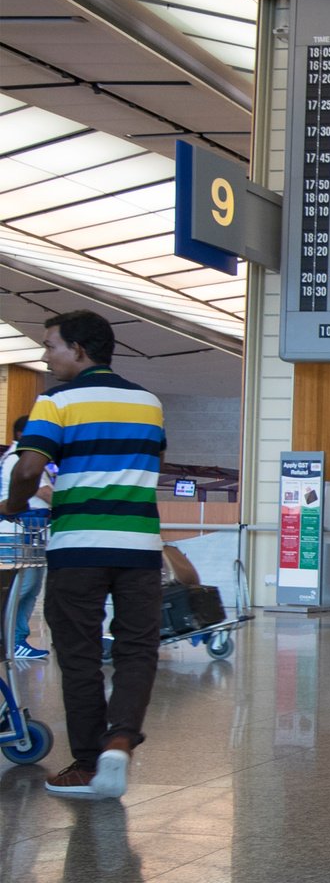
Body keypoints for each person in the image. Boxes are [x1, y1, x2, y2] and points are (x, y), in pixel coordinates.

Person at [0, 311, 166, 800]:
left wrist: (11, 504)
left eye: (51, 346)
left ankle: (89, 764)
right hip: (139, 548)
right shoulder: (149, 402)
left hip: (79, 547)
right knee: (137, 650)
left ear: (80, 349)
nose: (45, 357)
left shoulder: (57, 401)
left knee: (80, 655)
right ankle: (119, 742)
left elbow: (30, 468)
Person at [1, 415, 53, 659]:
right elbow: (44, 493)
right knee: (18, 590)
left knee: (29, 588)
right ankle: (10, 640)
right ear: (22, 435)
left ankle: (17, 639)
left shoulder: (23, 458)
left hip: (30, 535)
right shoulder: (23, 459)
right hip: (17, 535)